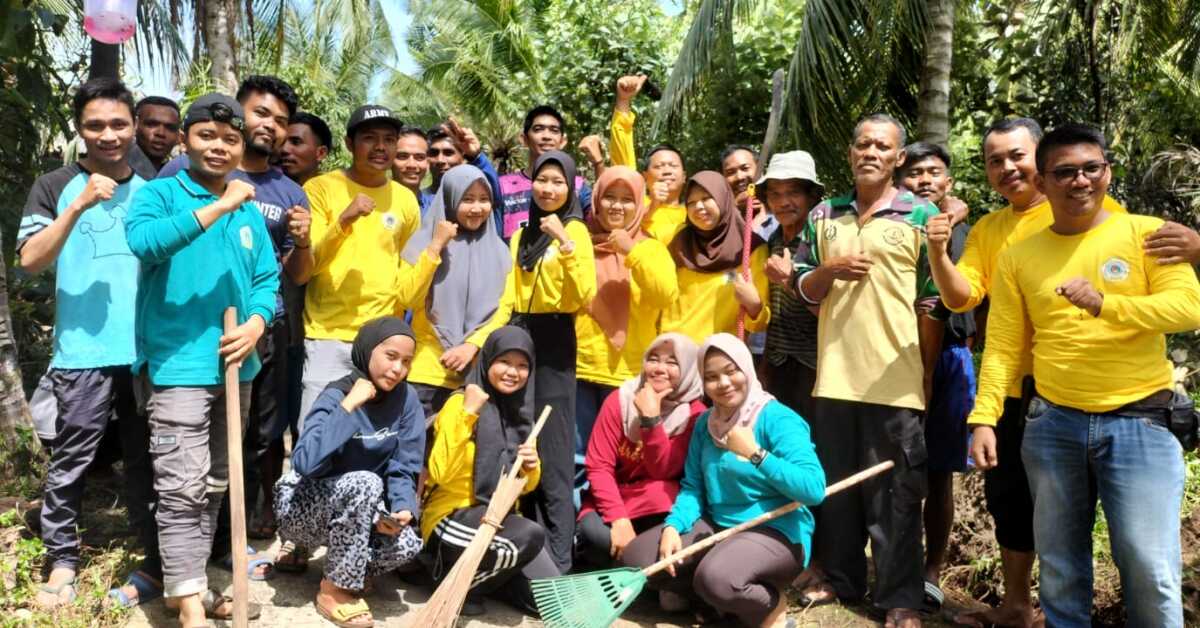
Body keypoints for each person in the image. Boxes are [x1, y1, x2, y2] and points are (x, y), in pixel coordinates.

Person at [968, 123, 1200, 628]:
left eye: (1091, 169)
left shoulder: (1145, 233)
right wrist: (984, 417)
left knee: (1150, 567)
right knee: (1060, 571)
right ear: (1044, 183)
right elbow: (1004, 346)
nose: (1080, 182)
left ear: (1107, 173)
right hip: (1053, 426)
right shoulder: (1016, 256)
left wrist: (1106, 305)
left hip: (1141, 422)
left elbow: (1189, 307)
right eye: (1065, 172)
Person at [923, 117, 1124, 628]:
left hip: (1080, 386)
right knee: (1009, 498)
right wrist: (939, 252)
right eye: (995, 160)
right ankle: (1016, 606)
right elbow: (962, 296)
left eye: (1018, 155)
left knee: (1073, 507)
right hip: (1011, 387)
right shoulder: (991, 230)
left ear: (1044, 157)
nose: (1008, 167)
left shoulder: (1097, 214)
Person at [125, 93, 279, 626]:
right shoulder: (159, 194)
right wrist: (220, 206)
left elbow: (266, 279)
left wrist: (258, 323)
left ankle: (185, 585)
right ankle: (190, 606)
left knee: (215, 480)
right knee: (179, 486)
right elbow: (145, 244)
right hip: (177, 367)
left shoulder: (251, 213)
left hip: (238, 369)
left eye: (230, 139)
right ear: (186, 139)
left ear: (242, 147)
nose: (218, 146)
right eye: (207, 136)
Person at [791, 113, 938, 627]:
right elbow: (803, 288)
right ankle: (842, 578)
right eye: (863, 144)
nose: (871, 152)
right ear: (850, 151)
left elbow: (932, 301)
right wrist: (829, 271)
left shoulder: (920, 215)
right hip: (833, 376)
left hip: (896, 379)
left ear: (899, 158)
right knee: (837, 488)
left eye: (883, 145)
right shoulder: (823, 215)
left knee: (896, 494)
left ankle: (899, 597)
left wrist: (927, 372)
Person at [17, 77, 157, 609]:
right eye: (95, 125)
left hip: (146, 351)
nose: (108, 134)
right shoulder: (54, 186)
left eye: (119, 124)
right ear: (80, 129)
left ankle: (155, 562)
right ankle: (63, 561)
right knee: (72, 461)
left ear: (134, 127)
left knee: (148, 461)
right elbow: (30, 260)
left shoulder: (154, 190)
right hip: (83, 352)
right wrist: (77, 206)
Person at [621, 334, 825, 627]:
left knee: (717, 579)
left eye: (731, 371)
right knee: (640, 559)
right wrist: (673, 526)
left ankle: (771, 606)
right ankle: (716, 603)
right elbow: (693, 486)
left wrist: (756, 454)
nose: (725, 383)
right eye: (713, 377)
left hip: (777, 529)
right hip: (720, 525)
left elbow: (813, 489)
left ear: (747, 368)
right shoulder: (706, 423)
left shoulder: (778, 418)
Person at [477, 150, 596, 572]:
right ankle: (526, 554)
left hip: (555, 341)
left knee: (555, 448)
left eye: (557, 182)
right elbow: (509, 296)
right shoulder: (520, 236)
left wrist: (563, 241)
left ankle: (559, 562)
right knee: (521, 442)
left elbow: (583, 295)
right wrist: (482, 342)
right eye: (541, 180)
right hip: (519, 338)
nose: (548, 189)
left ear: (571, 188)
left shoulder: (576, 232)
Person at [275, 317, 425, 628]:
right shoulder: (336, 394)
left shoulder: (406, 399)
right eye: (391, 357)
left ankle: (347, 567)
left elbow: (404, 465)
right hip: (302, 505)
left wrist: (401, 509)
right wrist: (349, 407)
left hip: (360, 508)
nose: (398, 369)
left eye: (407, 361)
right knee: (365, 481)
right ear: (367, 351)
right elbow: (305, 462)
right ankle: (334, 590)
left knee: (410, 544)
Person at [422, 326, 560, 616]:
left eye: (523, 366)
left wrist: (532, 467)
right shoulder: (459, 403)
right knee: (530, 535)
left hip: (499, 518)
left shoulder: (521, 413)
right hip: (450, 516)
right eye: (504, 362)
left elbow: (525, 487)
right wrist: (468, 415)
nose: (513, 372)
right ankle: (458, 583)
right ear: (486, 362)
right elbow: (439, 472)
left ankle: (487, 579)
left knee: (551, 601)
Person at [295, 104, 420, 421]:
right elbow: (312, 263)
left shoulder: (405, 199)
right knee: (316, 430)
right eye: (370, 138)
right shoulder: (320, 189)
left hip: (382, 341)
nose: (380, 147)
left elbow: (408, 273)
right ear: (350, 144)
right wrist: (345, 219)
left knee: (371, 438)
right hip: (328, 335)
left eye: (389, 139)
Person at [897, 141, 976, 612]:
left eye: (933, 172)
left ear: (948, 181)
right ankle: (897, 563)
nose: (924, 179)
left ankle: (932, 571)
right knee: (895, 464)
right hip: (897, 352)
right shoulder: (893, 225)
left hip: (950, 356)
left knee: (940, 470)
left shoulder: (970, 229)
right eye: (914, 174)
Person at [574, 166, 679, 471]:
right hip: (581, 369)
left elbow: (664, 295)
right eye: (609, 197)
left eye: (627, 199)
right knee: (578, 457)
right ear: (596, 200)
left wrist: (632, 251)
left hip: (627, 375)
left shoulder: (651, 247)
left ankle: (614, 517)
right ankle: (579, 517)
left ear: (639, 204)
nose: (617, 206)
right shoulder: (580, 241)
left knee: (621, 459)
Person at [576, 333, 705, 570]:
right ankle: (644, 568)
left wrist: (651, 420)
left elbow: (662, 471)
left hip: (658, 501)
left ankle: (643, 567)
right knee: (594, 535)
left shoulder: (695, 414)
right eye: (653, 359)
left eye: (672, 362)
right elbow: (598, 465)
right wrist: (618, 519)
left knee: (662, 499)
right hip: (614, 496)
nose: (659, 368)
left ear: (688, 369)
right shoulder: (620, 399)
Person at [398, 164, 509, 417]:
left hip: (476, 375)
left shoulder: (500, 253)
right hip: (427, 373)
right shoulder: (421, 245)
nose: (477, 208)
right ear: (449, 199)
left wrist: (471, 345)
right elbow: (407, 297)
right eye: (467, 199)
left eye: (484, 200)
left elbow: (505, 309)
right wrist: (436, 246)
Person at [659, 171, 770, 342]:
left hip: (718, 356)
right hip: (673, 351)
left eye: (706, 198)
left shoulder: (750, 248)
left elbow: (757, 324)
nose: (699, 207)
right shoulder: (677, 240)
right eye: (691, 202)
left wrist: (754, 305)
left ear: (723, 198)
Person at [757, 151, 824, 422]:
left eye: (793, 192)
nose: (783, 202)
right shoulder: (772, 240)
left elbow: (833, 309)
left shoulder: (821, 240)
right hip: (777, 363)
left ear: (811, 196)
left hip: (816, 365)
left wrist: (789, 281)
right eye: (775, 194)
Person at [608, 74, 688, 243]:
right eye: (658, 167)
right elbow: (622, 153)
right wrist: (623, 102)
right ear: (644, 176)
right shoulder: (633, 204)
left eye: (673, 166)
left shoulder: (696, 212)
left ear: (684, 176)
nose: (666, 171)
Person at [496, 105, 593, 240]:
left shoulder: (578, 186)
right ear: (524, 139)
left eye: (554, 130)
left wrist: (598, 163)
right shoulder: (502, 186)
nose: (546, 136)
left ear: (563, 141)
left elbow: (601, 220)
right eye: (538, 129)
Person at [424, 119, 502, 210]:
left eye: (448, 153)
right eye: (434, 153)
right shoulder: (417, 201)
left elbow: (493, 189)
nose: (440, 160)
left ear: (463, 157)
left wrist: (475, 156)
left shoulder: (481, 202)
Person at [129, 95, 180, 179]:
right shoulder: (113, 169)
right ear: (135, 125)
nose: (161, 133)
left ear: (179, 136)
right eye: (151, 124)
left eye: (170, 128)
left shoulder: (180, 176)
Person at [281, 111, 332, 185]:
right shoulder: (261, 189)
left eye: (296, 142)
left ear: (321, 153)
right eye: (282, 142)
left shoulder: (335, 193)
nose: (284, 149)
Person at [392, 126, 432, 214]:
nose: (411, 165)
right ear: (390, 160)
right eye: (402, 156)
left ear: (428, 163)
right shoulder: (374, 205)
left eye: (420, 157)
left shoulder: (436, 208)